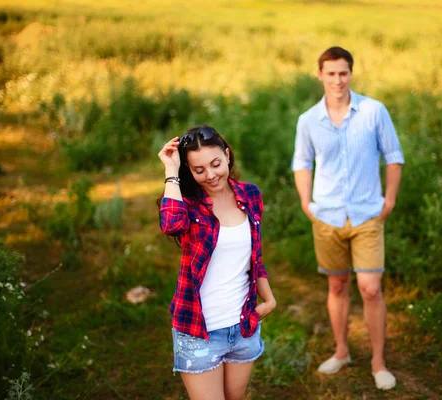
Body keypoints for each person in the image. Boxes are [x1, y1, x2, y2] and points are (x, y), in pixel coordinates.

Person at [292, 47, 404, 390]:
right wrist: (306, 203)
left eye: (343, 73)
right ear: (320, 75)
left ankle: (378, 361)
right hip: (326, 217)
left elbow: (394, 156)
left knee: (370, 289)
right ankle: (342, 351)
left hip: (367, 214)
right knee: (337, 285)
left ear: (350, 74)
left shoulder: (373, 111)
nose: (338, 80)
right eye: (331, 73)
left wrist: (389, 200)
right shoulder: (309, 119)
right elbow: (302, 162)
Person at [158, 125, 276, 400]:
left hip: (243, 326)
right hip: (200, 331)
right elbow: (171, 225)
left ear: (227, 155)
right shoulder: (187, 204)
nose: (210, 175)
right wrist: (171, 171)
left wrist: (269, 300)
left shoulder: (250, 195)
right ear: (189, 170)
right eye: (199, 170)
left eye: (215, 164)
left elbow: (254, 257)